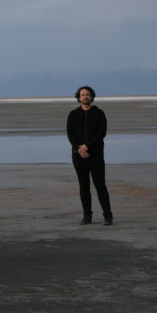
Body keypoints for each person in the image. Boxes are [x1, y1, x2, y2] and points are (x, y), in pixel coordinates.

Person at [67, 86, 113, 225]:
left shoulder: (99, 113)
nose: (85, 97)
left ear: (92, 97)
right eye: (82, 95)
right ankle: (87, 216)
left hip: (96, 156)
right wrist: (79, 149)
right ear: (79, 98)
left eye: (87, 94)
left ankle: (108, 216)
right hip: (78, 156)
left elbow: (101, 133)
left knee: (100, 185)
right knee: (84, 186)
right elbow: (71, 135)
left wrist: (87, 146)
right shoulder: (73, 114)